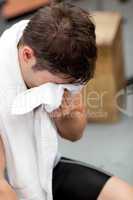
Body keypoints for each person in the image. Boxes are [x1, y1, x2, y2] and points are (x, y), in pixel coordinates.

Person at [0, 2, 133, 200]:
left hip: (45, 168)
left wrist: (66, 114)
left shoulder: (61, 57)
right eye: (58, 85)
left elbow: (75, 134)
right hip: (9, 183)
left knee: (125, 196)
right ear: (28, 55)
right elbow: (3, 190)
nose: (64, 90)